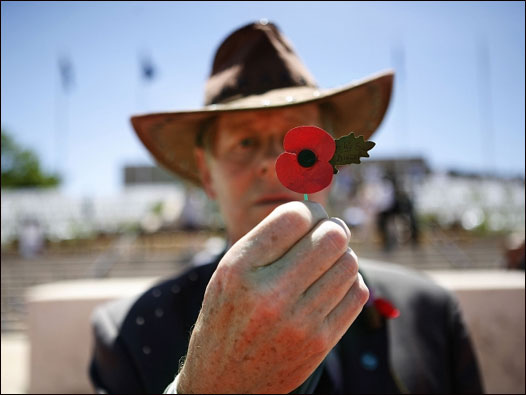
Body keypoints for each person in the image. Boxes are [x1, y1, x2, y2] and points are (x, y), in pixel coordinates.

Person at [89, 21, 483, 394]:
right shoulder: (133, 332)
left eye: (302, 143)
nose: (276, 161)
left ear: (334, 159)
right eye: (244, 143)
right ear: (207, 174)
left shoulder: (429, 314)